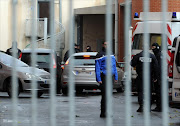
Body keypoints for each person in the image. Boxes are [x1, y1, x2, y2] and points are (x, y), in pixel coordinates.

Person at [95, 41, 118, 118]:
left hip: (110, 77)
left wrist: (116, 77)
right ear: (103, 45)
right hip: (103, 76)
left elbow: (114, 66)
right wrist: (98, 78)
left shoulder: (111, 54)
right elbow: (97, 68)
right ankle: (103, 112)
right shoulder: (100, 54)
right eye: (105, 45)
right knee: (105, 95)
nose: (107, 46)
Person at [151, 42, 162, 112]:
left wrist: (156, 77)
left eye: (154, 48)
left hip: (158, 77)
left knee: (158, 92)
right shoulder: (159, 54)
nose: (153, 49)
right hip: (160, 76)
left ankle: (159, 107)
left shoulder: (158, 55)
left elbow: (157, 67)